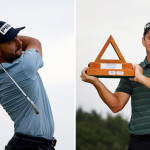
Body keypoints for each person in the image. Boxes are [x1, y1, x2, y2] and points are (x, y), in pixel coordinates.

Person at [80, 22, 150, 150]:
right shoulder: (133, 71)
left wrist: (141, 78)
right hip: (140, 142)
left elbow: (140, 78)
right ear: (143, 41)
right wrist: (96, 82)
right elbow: (116, 105)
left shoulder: (138, 74)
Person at [0, 21, 56, 150]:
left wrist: (9, 38)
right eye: (10, 41)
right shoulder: (25, 66)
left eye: (16, 37)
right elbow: (34, 42)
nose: (19, 42)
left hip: (29, 144)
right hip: (29, 145)